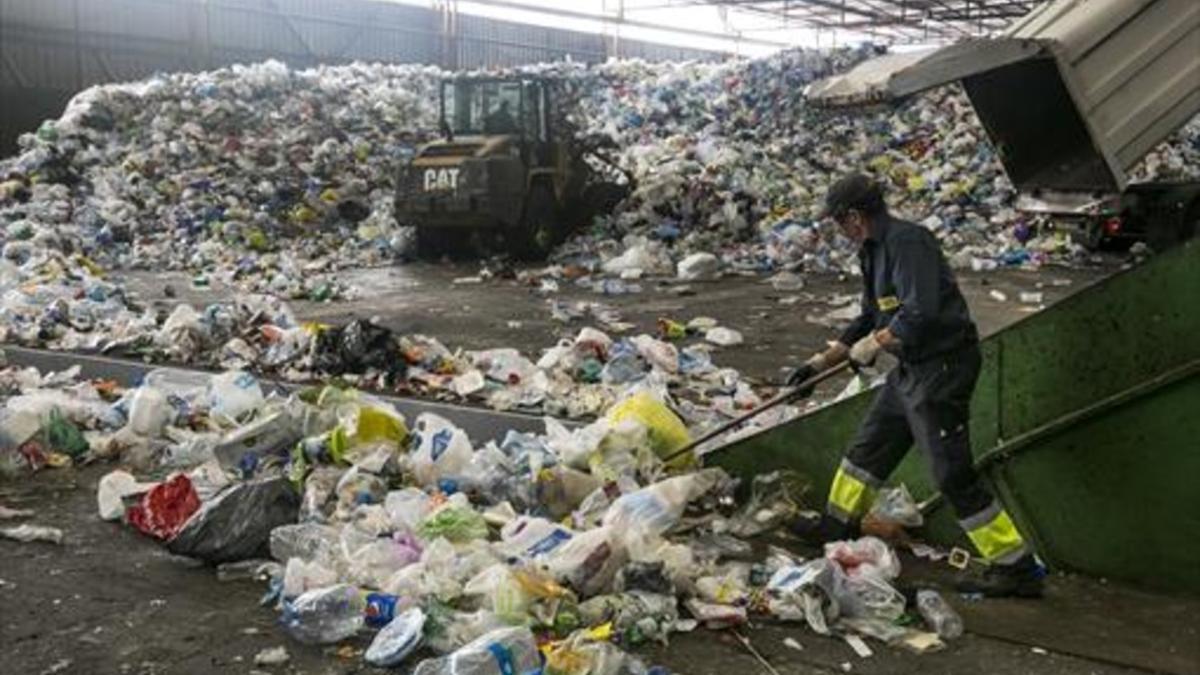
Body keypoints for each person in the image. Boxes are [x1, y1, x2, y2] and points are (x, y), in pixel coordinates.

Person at [788, 173, 1043, 598]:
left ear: (854, 217)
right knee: (866, 452)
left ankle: (1015, 567)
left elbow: (920, 312)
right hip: (909, 370)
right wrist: (818, 363)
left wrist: (877, 343)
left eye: (837, 222)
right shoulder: (871, 252)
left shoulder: (909, 243)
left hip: (943, 368)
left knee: (951, 472)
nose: (837, 231)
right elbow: (871, 315)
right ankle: (836, 527)